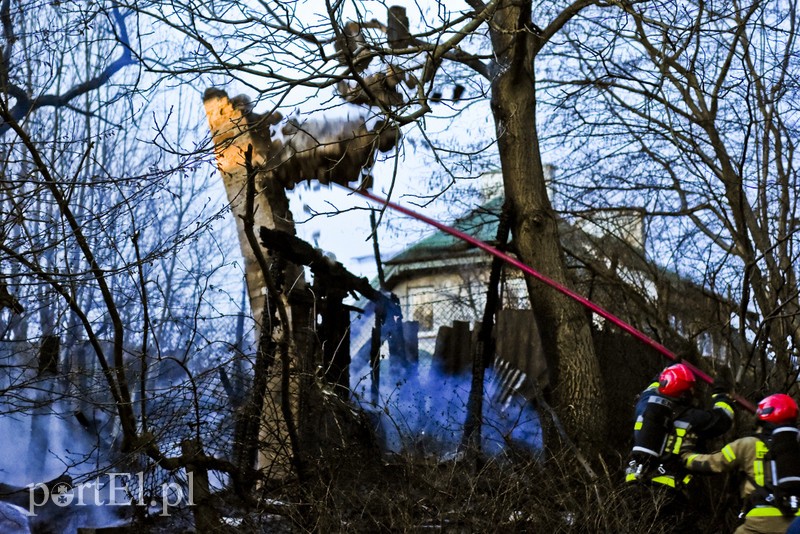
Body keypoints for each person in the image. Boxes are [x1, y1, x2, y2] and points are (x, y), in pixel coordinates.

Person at [625, 363, 735, 529]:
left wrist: (665, 370)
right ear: (685, 393)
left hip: (633, 485)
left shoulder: (644, 403)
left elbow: (654, 385)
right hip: (667, 493)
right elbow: (723, 418)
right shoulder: (692, 417)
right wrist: (721, 394)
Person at [682, 393, 800, 534]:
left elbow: (711, 464)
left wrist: (686, 453)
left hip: (760, 521)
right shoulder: (796, 447)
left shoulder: (748, 444)